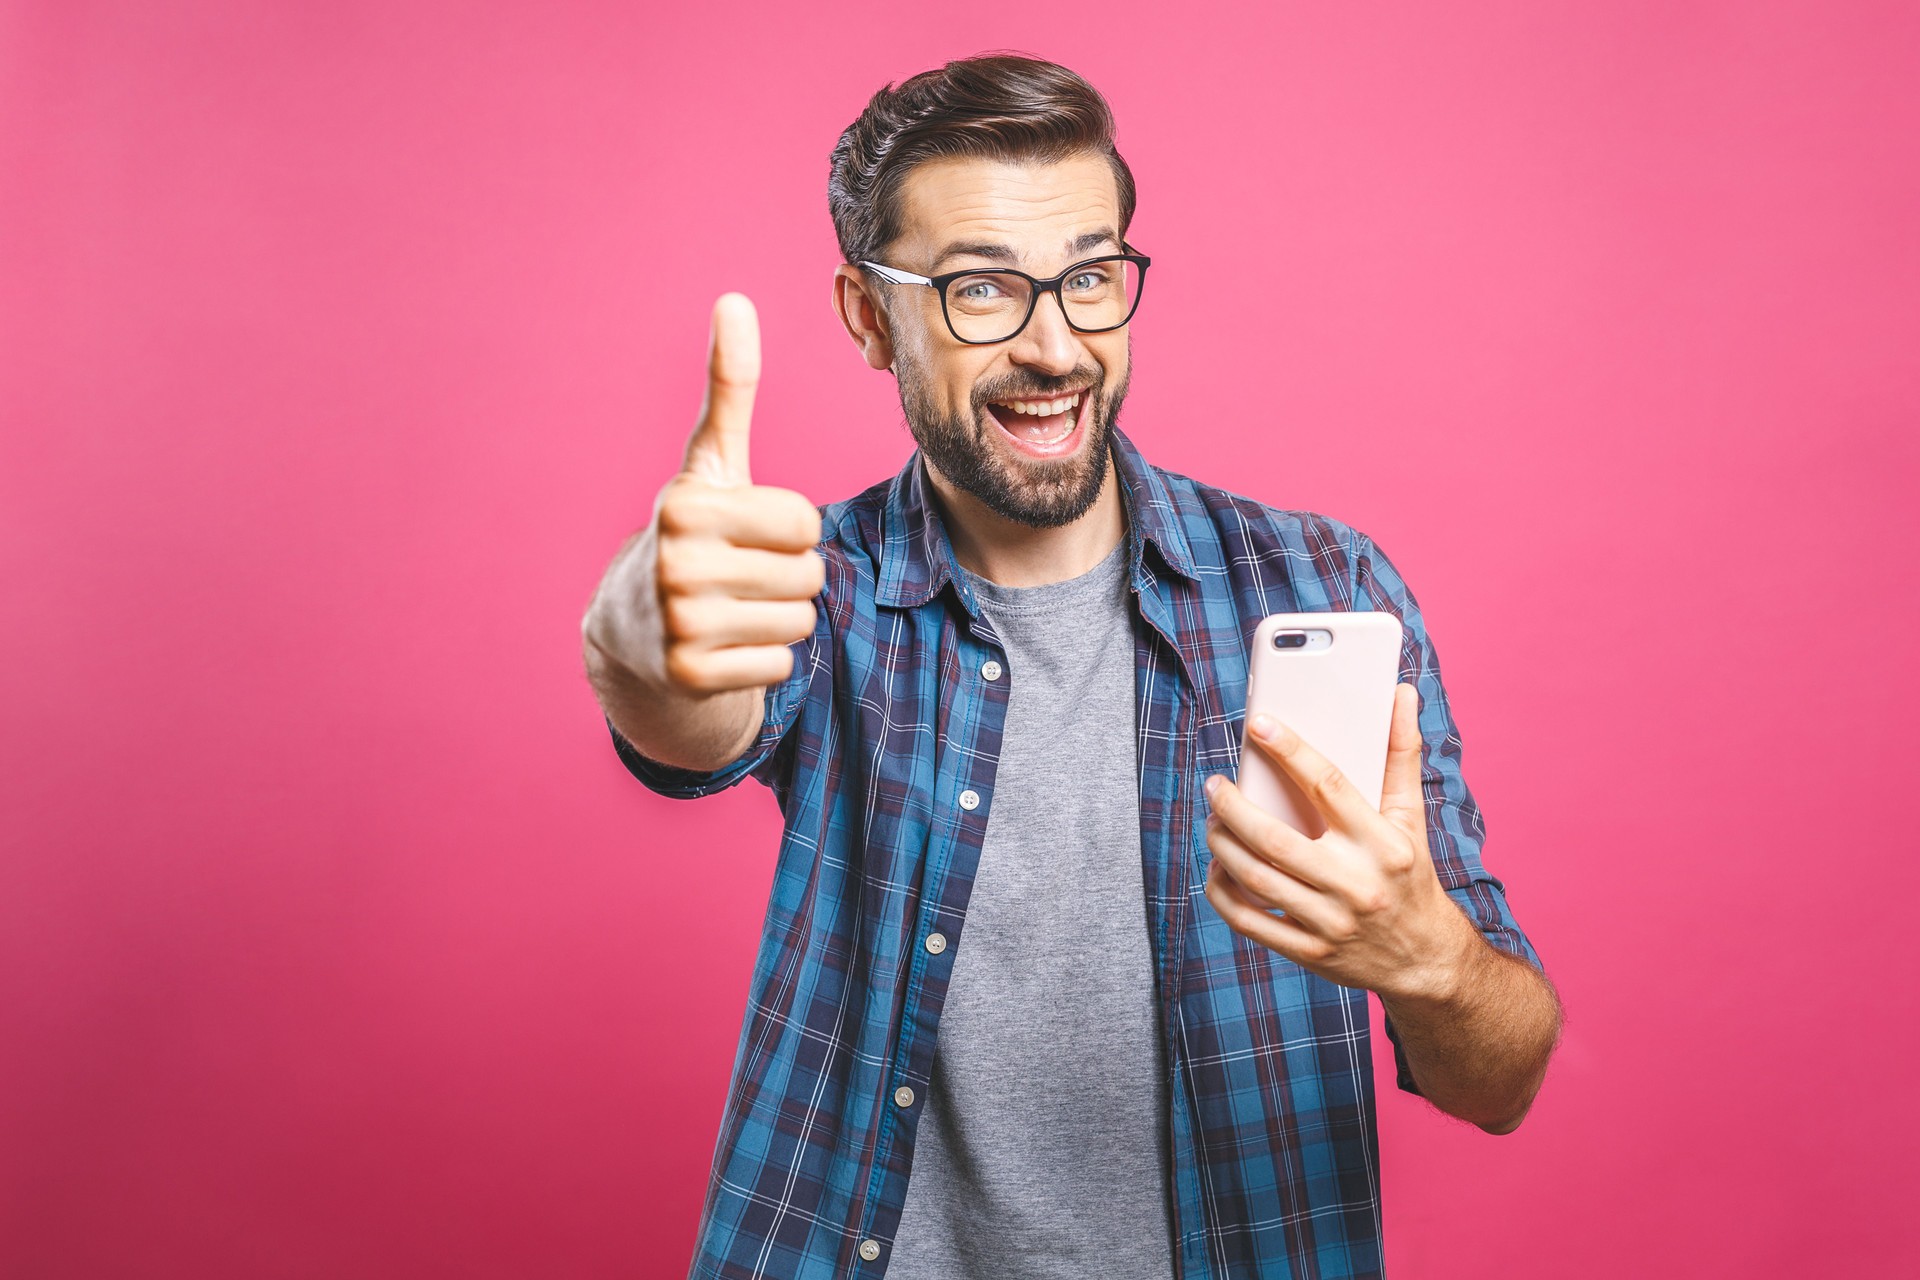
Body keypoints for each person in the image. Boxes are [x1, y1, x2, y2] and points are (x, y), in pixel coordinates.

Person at [581, 53, 1562, 1280]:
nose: (1056, 346)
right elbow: (693, 705)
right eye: (981, 289)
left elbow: (1504, 1076)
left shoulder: (1323, 588)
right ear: (867, 316)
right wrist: (638, 631)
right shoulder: (819, 589)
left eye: (1090, 278)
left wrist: (1429, 958)